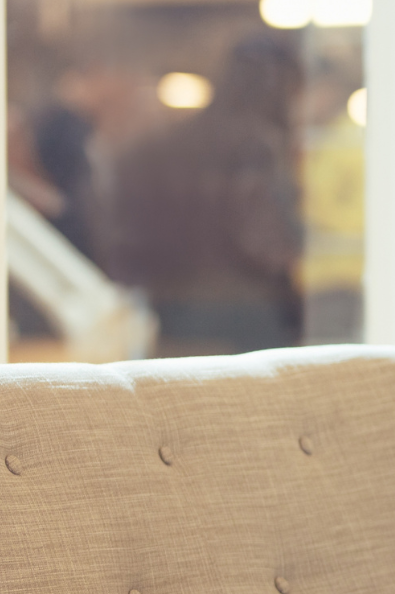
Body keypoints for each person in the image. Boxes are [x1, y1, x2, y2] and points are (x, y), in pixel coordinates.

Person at [109, 36, 305, 355]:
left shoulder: (165, 145)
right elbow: (265, 243)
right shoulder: (255, 147)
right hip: (246, 318)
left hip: (175, 315)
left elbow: (128, 240)